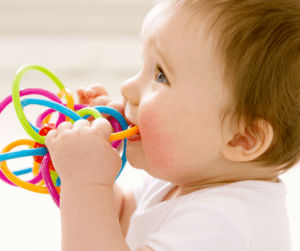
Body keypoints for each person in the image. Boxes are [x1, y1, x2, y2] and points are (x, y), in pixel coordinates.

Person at [44, 0, 300, 250]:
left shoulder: (220, 223)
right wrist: (85, 165)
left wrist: (85, 183)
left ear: (241, 139)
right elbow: (120, 219)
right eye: (142, 63)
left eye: (160, 75)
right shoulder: (187, 179)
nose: (126, 88)